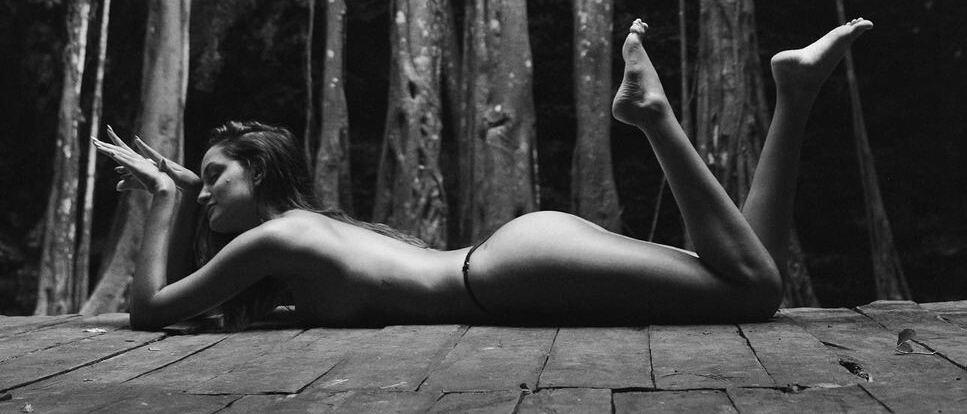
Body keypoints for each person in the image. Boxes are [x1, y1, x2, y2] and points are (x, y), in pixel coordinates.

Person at [94, 16, 873, 331]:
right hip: (517, 259)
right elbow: (207, 306)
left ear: (259, 172)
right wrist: (188, 195)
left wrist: (164, 197)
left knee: (752, 291)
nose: (206, 191)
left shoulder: (278, 238)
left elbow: (152, 311)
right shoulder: (303, 243)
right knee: (745, 275)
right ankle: (796, 95)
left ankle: (652, 117)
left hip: (506, 274)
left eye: (214, 175)